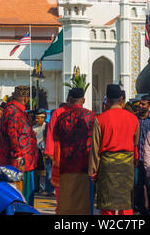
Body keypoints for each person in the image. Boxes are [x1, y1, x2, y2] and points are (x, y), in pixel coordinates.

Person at [89, 84, 139, 215]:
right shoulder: (133, 119)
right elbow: (136, 143)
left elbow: (95, 148)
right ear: (121, 99)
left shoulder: (100, 119)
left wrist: (93, 171)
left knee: (108, 204)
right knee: (126, 202)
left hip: (107, 165)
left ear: (107, 100)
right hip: (126, 164)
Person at [53, 87, 96, 215]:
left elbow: (55, 137)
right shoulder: (91, 116)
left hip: (67, 164)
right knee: (84, 203)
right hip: (85, 164)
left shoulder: (62, 117)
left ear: (70, 99)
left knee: (67, 201)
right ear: (83, 100)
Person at [0, 86, 37, 206]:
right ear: (25, 99)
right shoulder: (13, 111)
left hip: (21, 161)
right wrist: (20, 159)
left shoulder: (14, 110)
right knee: (20, 197)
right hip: (18, 163)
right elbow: (12, 135)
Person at [135, 94, 150, 215]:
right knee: (137, 186)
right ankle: (141, 210)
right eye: (140, 103)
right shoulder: (134, 119)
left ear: (149, 106)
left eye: (143, 104)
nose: (140, 105)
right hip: (137, 159)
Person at [45, 100, 70, 207]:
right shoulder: (58, 112)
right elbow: (51, 132)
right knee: (60, 183)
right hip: (60, 152)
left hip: (75, 155)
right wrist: (50, 152)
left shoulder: (84, 113)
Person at [33, 109, 47, 193]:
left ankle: (43, 188)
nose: (36, 120)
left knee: (44, 172)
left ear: (43, 118)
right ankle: (36, 187)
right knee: (36, 171)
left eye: (38, 118)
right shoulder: (33, 128)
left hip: (44, 151)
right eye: (36, 118)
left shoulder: (47, 127)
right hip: (36, 152)